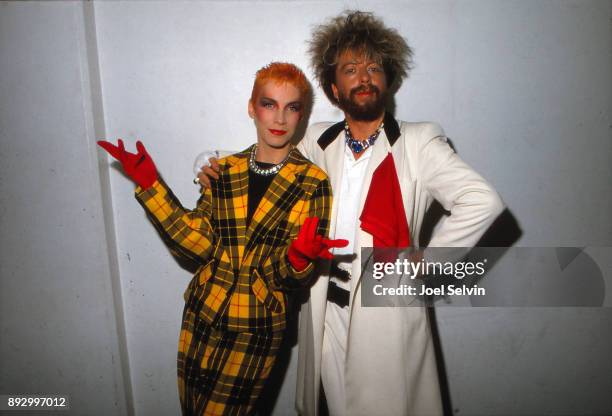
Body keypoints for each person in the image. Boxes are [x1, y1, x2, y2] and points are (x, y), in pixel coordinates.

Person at [198, 11, 504, 416]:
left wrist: (429, 261)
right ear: (332, 88)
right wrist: (211, 162)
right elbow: (263, 157)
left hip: (384, 309)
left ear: (388, 80)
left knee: (387, 405)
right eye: (351, 68)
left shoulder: (418, 141)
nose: (364, 76)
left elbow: (481, 199)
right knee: (333, 404)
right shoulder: (316, 141)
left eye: (374, 67)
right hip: (322, 303)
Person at [98, 62, 347, 416]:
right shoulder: (225, 170)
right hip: (202, 312)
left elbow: (291, 278)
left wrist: (297, 260)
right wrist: (151, 185)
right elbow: (196, 246)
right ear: (251, 107)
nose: (279, 118)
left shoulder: (312, 181)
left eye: (291, 107)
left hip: (255, 326)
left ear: (301, 115)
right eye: (269, 104)